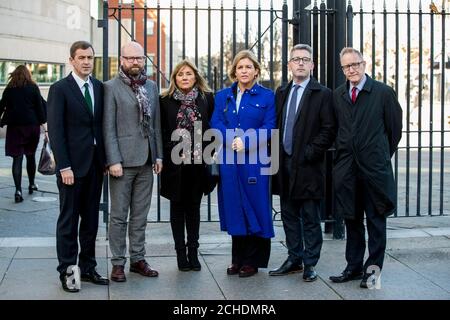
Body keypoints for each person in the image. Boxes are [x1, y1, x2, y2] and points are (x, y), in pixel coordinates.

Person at [329, 47, 402, 288]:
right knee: (351, 220)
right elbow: (337, 129)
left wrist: (378, 156)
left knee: (376, 222)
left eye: (356, 64)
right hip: (348, 170)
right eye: (347, 66)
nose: (352, 69)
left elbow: (394, 131)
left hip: (374, 171)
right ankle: (353, 267)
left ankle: (372, 272)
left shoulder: (383, 93)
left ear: (364, 64)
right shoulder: (338, 95)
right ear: (343, 69)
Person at [270, 44, 336, 281]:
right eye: (296, 59)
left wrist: (310, 152)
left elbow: (329, 130)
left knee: (309, 216)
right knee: (288, 214)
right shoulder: (282, 92)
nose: (300, 63)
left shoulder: (323, 93)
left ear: (312, 65)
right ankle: (294, 258)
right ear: (289, 64)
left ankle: (310, 263)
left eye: (305, 59)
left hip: (308, 165)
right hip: (284, 163)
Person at [47, 41, 109, 292]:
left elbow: (100, 126)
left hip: (95, 166)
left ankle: (89, 267)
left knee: (91, 221)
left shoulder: (99, 87)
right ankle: (68, 272)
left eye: (90, 58)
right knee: (69, 221)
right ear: (71, 60)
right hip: (71, 168)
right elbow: (56, 131)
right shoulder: (59, 89)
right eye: (81, 57)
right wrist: (64, 167)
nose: (86, 62)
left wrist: (104, 159)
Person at [211, 50, 276, 278]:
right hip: (229, 160)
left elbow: (270, 127)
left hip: (256, 161)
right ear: (234, 71)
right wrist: (230, 139)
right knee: (234, 207)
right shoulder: (222, 96)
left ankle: (252, 260)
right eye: (240, 67)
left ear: (256, 71)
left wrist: (246, 141)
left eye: (248, 67)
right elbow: (216, 121)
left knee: (255, 207)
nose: (244, 71)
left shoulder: (267, 96)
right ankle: (237, 259)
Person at [103, 41, 162, 282]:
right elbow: (108, 127)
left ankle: (138, 259)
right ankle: (118, 262)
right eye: (130, 58)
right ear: (122, 60)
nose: (135, 62)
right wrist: (113, 160)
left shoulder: (152, 86)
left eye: (139, 58)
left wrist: (158, 155)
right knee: (118, 216)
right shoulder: (110, 87)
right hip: (122, 163)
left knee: (140, 215)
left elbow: (155, 124)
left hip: (147, 161)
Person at [160, 60, 215, 272]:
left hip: (198, 164)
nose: (184, 77)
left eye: (188, 74)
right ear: (174, 78)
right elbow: (162, 130)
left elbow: (211, 127)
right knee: (177, 208)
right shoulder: (165, 100)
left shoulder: (206, 98)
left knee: (193, 208)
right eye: (180, 74)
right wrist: (172, 149)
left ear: (195, 77)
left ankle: (193, 251)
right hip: (175, 163)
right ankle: (180, 254)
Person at [0, 65, 46, 203]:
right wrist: (46, 126)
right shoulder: (33, 88)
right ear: (28, 75)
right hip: (32, 127)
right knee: (30, 156)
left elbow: (1, 106)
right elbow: (40, 108)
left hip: (15, 128)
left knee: (17, 159)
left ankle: (18, 190)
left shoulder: (9, 90)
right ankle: (32, 184)